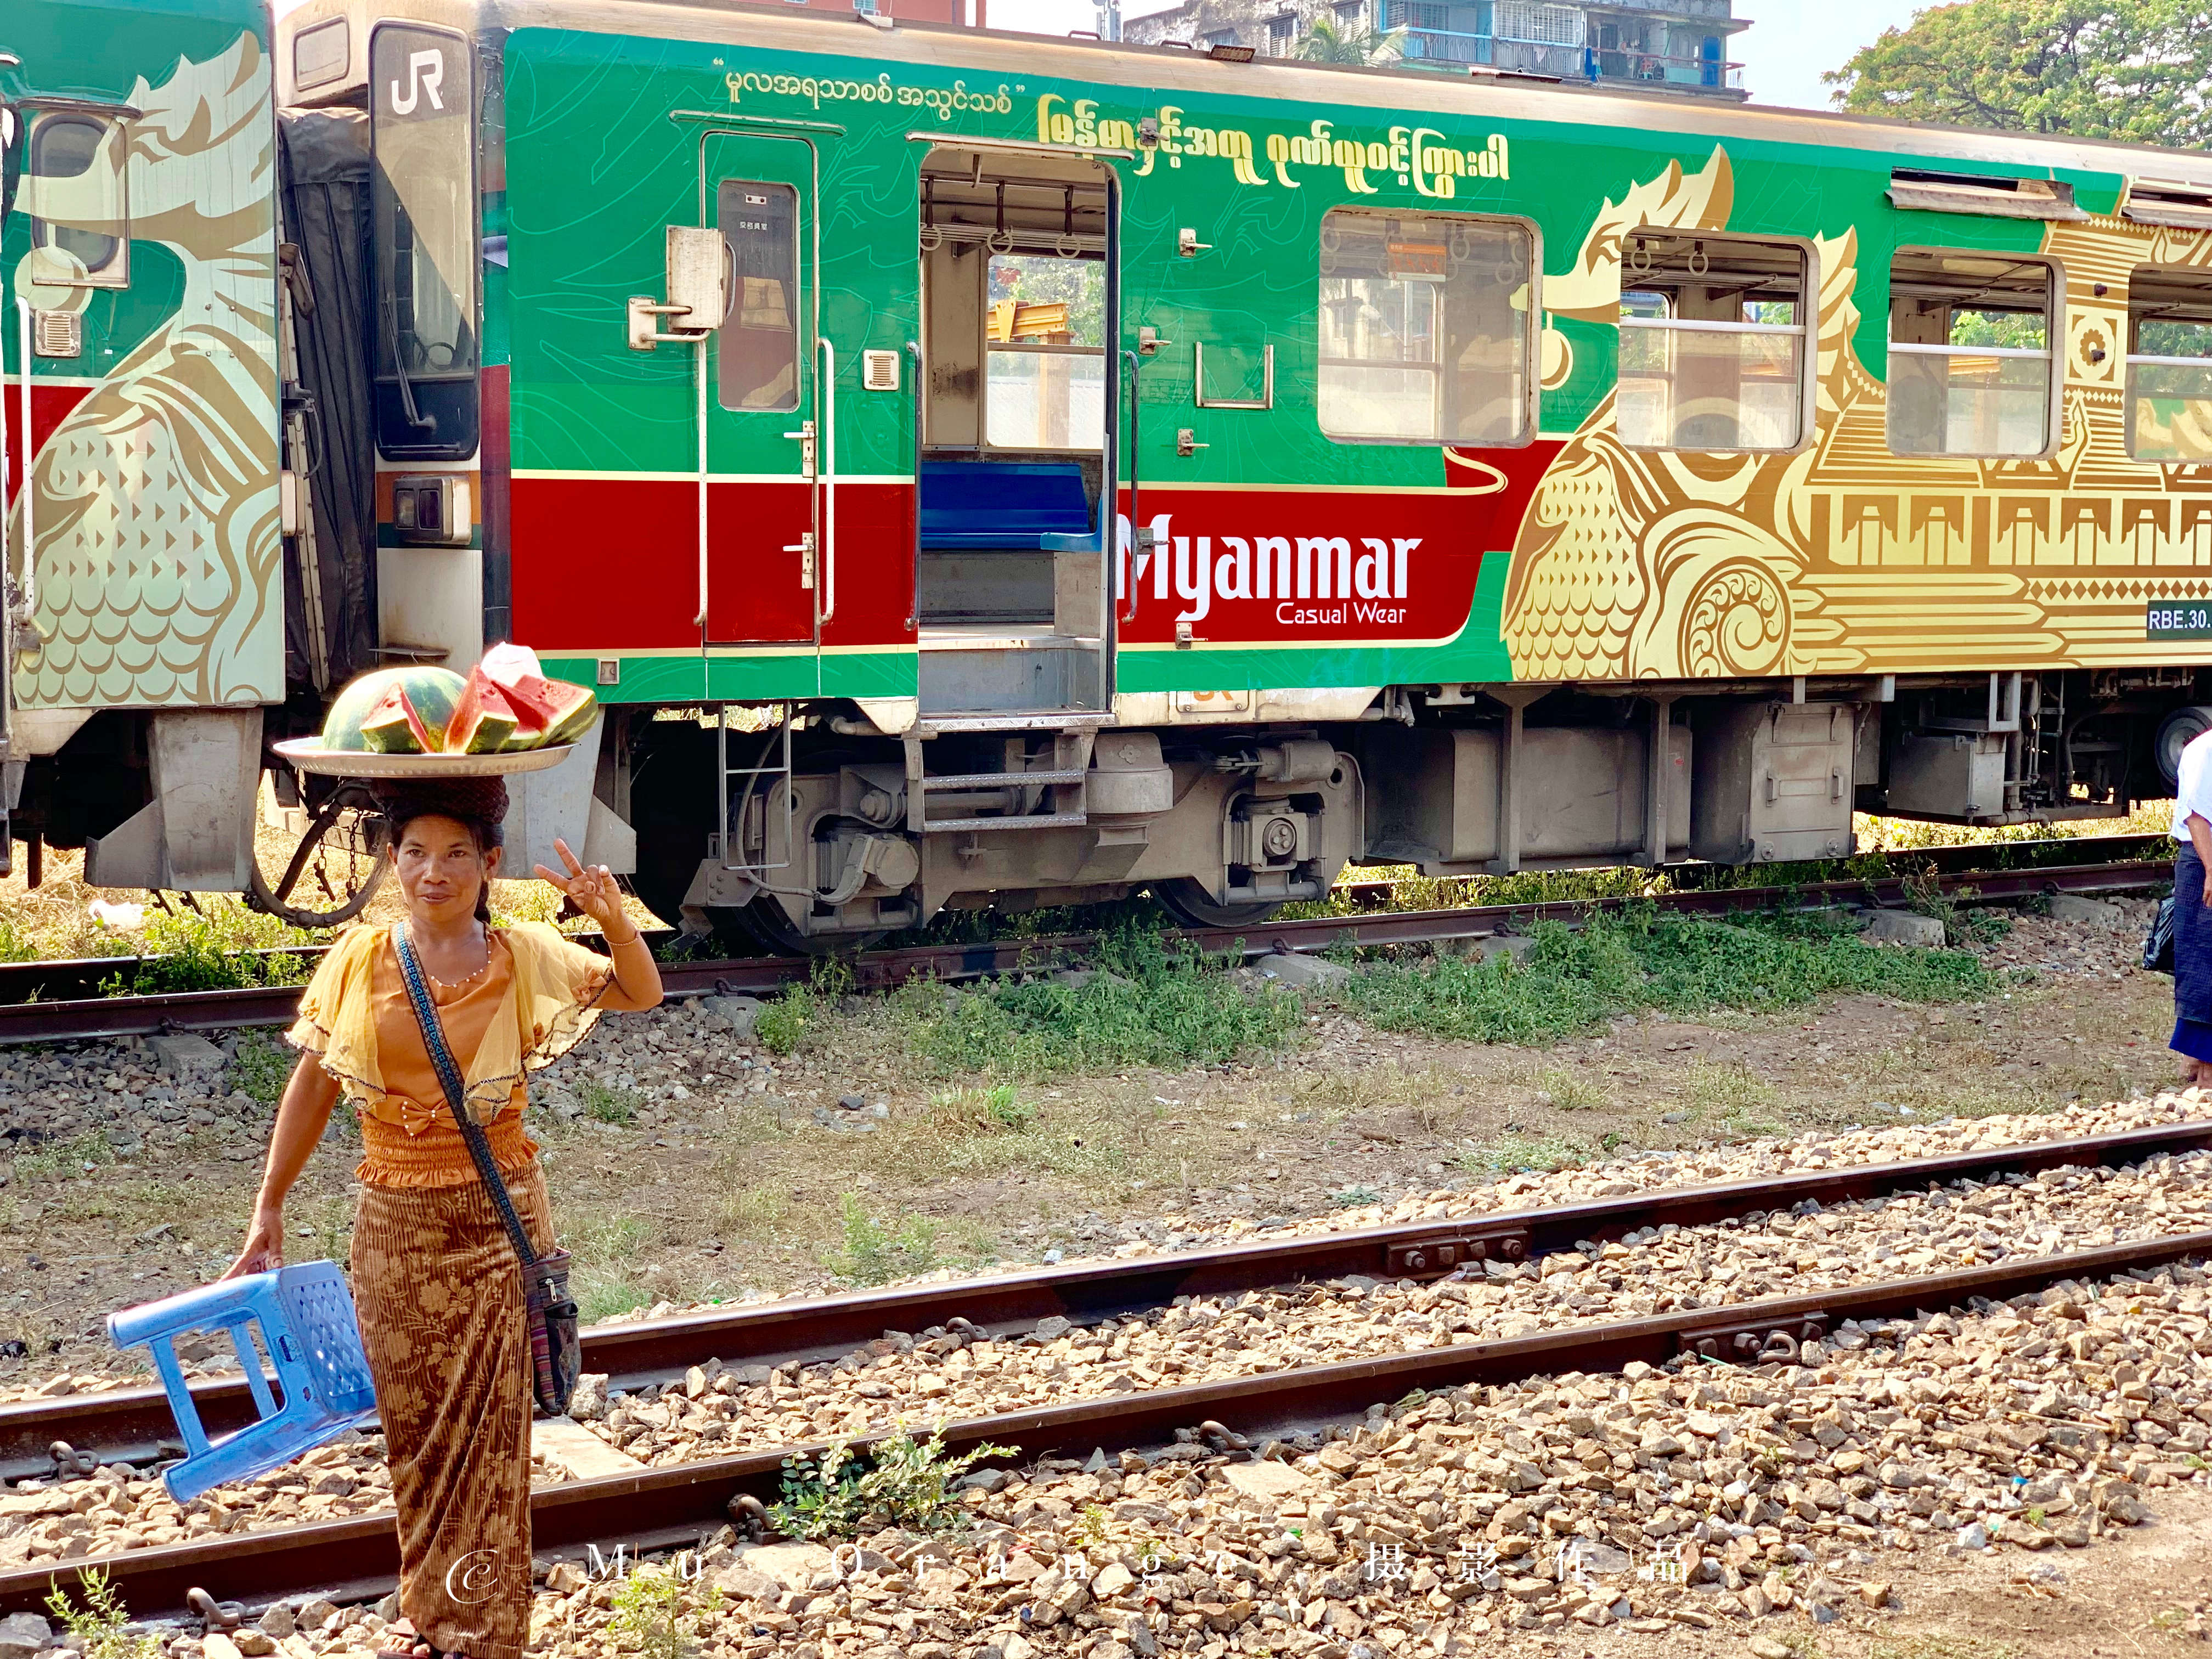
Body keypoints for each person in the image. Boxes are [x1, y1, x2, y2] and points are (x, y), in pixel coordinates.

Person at [225, 777, 663, 1659]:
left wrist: (610, 916)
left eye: (456, 853)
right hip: (392, 1221)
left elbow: (638, 991)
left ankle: (483, 1636)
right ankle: (432, 1620)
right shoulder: (355, 961)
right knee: (417, 1433)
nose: (435, 871)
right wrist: (268, 1209)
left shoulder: (527, 953)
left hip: (498, 1224)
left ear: (489, 864)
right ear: (393, 863)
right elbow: (311, 1086)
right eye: (416, 852)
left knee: (492, 1444)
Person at [2172, 725, 2212, 1084]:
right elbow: (2196, 816)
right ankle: (2205, 1071)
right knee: (2204, 960)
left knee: (2198, 960)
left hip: (2199, 858)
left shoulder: (2200, 745)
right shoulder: (2209, 749)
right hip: (2205, 857)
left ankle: (2195, 1063)